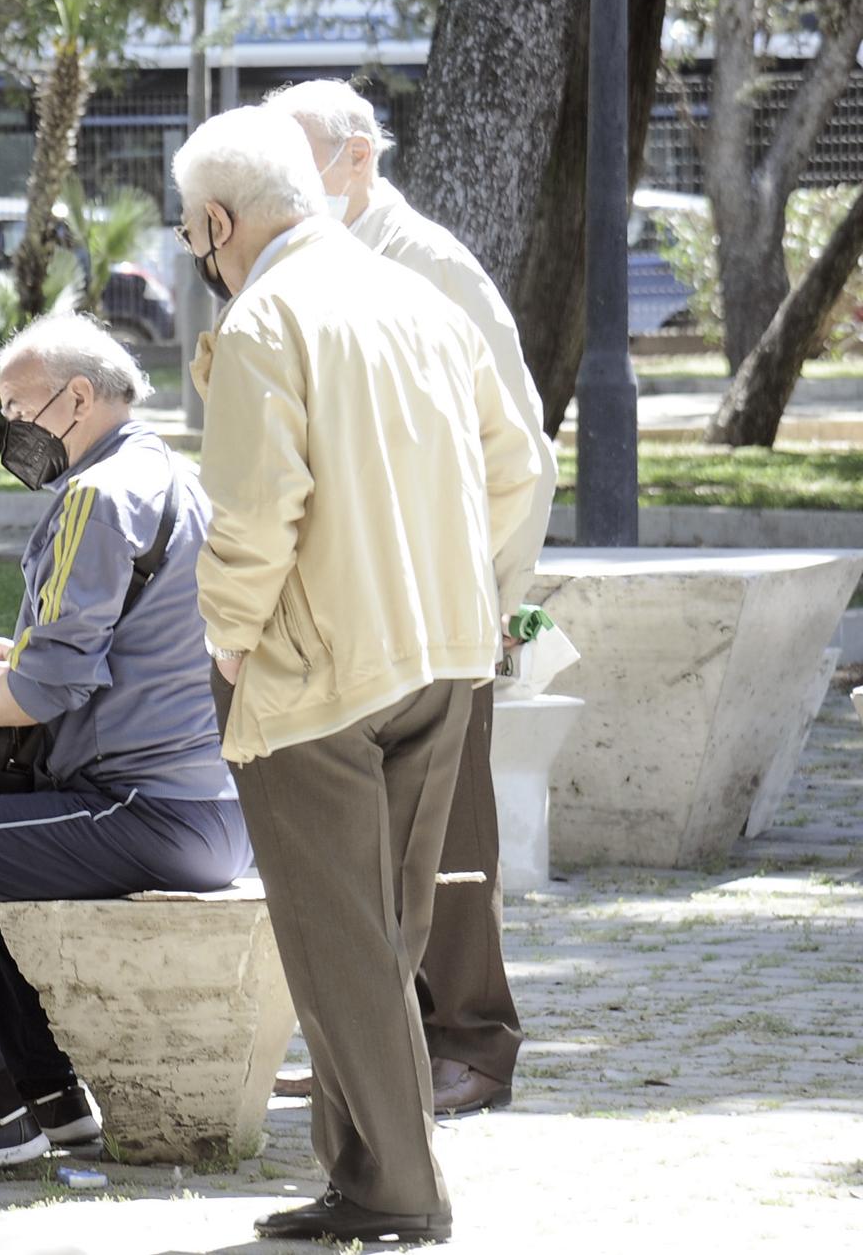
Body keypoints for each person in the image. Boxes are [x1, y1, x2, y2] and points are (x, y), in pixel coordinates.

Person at [177, 105, 548, 1246]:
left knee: (335, 938)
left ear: (215, 221)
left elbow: (249, 518)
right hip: (441, 654)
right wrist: (468, 590)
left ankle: (391, 1187)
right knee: (380, 932)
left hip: (315, 671)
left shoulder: (262, 321)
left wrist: (227, 640)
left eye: (194, 233)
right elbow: (516, 462)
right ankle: (368, 1174)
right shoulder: (415, 300)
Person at [0, 316, 249, 1174]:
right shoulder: (172, 476)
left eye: (17, 408)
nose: (10, 432)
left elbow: (47, 688)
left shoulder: (95, 495)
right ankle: (46, 1091)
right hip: (208, 807)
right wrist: (6, 658)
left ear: (77, 398)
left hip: (146, 808)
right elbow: (102, 649)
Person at [266, 79, 558, 1118]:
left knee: (449, 843)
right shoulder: (304, 265)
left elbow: (514, 447)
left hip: (432, 617)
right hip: (343, 613)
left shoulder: (425, 263)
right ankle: (377, 1043)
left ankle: (472, 1042)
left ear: (357, 158)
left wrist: (479, 605)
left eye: (296, 162)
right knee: (361, 843)